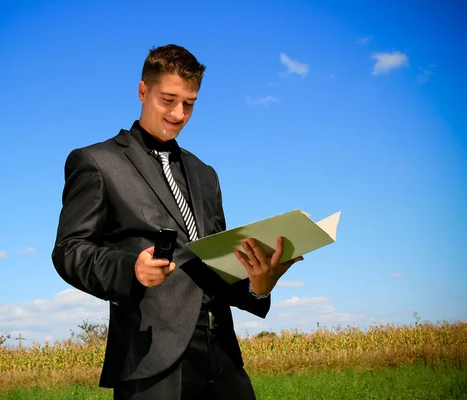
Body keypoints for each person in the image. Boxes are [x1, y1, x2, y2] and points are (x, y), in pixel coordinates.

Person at [51, 44, 303, 400]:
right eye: (168, 99)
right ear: (142, 91)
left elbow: (217, 262)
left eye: (189, 103)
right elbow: (69, 251)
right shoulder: (96, 162)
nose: (178, 113)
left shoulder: (206, 174)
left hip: (224, 357)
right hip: (152, 362)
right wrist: (130, 269)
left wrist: (257, 285)